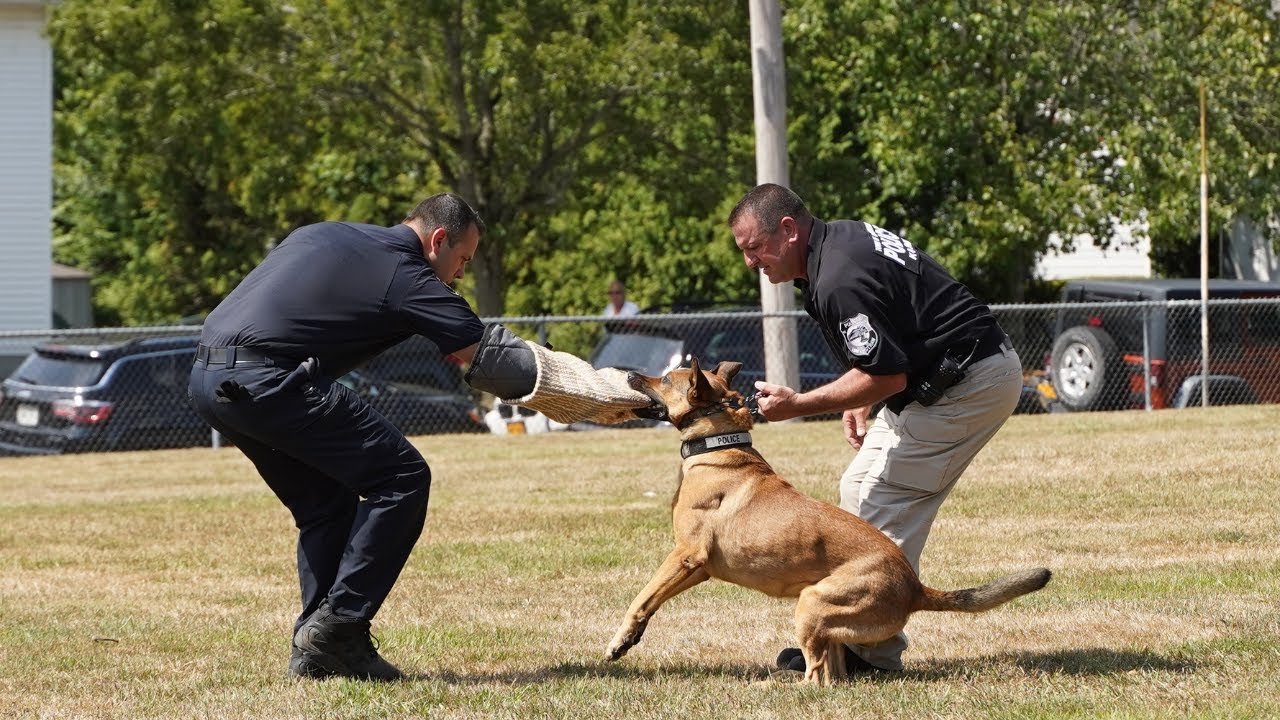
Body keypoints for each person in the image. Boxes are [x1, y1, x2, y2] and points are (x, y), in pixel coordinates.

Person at [188, 193, 493, 682]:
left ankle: (316, 648)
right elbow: (488, 356)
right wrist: (590, 390)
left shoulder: (326, 232)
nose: (459, 275)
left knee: (326, 506)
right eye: (462, 260)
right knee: (403, 477)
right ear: (438, 240)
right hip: (272, 382)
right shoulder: (407, 272)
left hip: (207, 380)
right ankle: (341, 627)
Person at [728, 183, 1023, 675]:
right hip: (945, 377)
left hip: (969, 384)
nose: (751, 262)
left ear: (787, 230)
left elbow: (887, 372)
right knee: (857, 485)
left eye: (754, 248)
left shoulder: (838, 275)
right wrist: (861, 396)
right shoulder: (838, 243)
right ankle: (851, 636)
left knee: (883, 499)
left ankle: (869, 653)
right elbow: (889, 346)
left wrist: (800, 403)